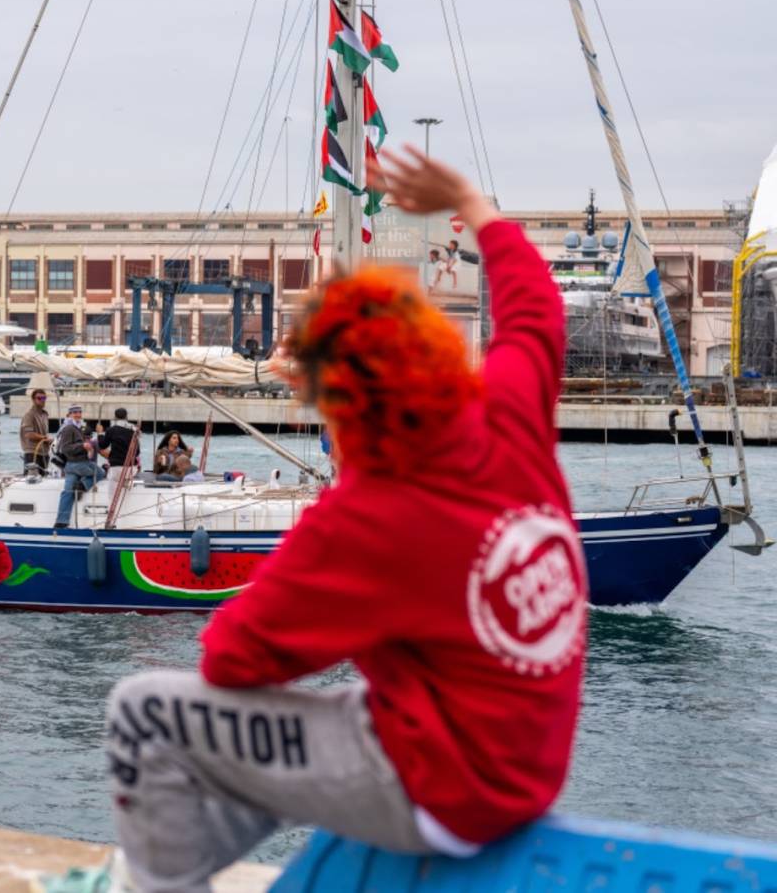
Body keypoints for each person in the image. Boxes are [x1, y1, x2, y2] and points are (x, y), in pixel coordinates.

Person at [99, 147, 588, 893]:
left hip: (451, 795)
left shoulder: (370, 517)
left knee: (144, 712)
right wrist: (473, 204)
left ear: (334, 401)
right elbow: (535, 308)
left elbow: (232, 660)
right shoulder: (511, 406)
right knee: (338, 714)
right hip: (528, 763)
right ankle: (192, 862)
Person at [53, 403, 105, 528]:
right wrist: (82, 446)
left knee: (68, 492)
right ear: (69, 414)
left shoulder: (75, 427)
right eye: (75, 412)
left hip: (71, 465)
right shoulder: (69, 428)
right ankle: (82, 485)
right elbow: (65, 448)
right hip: (78, 463)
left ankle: (61, 522)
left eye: (79, 412)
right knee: (100, 473)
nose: (78, 414)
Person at [96, 407, 137, 487]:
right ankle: (126, 482)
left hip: (116, 467)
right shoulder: (134, 430)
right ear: (126, 417)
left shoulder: (111, 430)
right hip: (131, 468)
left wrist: (100, 433)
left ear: (115, 417)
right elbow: (137, 451)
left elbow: (102, 445)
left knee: (112, 492)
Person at [19, 388, 52, 475]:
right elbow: (28, 434)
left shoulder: (45, 415)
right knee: (31, 479)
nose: (42, 400)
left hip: (44, 453)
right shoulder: (29, 415)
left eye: (44, 398)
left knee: (43, 478)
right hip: (32, 452)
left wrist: (48, 440)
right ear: (33, 400)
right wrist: (44, 438)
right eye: (39, 398)